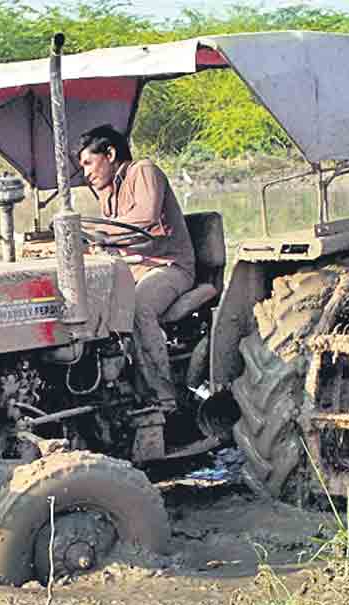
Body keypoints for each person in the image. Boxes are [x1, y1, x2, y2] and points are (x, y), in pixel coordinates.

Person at [77, 124, 194, 413]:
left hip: (168, 267)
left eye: (89, 163)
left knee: (139, 305)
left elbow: (144, 217)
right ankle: (105, 387)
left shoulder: (143, 170)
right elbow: (112, 238)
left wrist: (95, 233)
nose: (85, 173)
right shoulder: (107, 193)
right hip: (133, 267)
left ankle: (163, 398)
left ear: (110, 154)